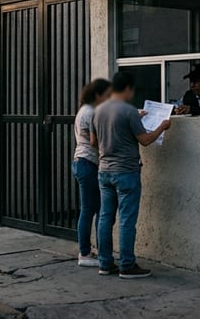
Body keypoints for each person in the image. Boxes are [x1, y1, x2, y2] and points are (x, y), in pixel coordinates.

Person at [92, 70, 171, 279]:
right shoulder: (127, 111)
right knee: (127, 219)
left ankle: (105, 263)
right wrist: (163, 126)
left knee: (105, 218)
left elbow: (93, 142)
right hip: (126, 172)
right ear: (128, 89)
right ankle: (127, 265)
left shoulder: (99, 110)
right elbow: (145, 140)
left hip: (104, 171)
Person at [72, 78, 112, 267]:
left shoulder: (84, 110)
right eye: (106, 95)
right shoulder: (90, 112)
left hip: (82, 162)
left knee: (92, 209)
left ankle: (89, 251)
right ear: (98, 95)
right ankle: (85, 253)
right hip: (88, 163)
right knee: (90, 209)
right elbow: (95, 142)